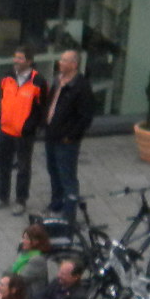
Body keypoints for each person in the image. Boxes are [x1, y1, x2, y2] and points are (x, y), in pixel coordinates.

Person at [40, 50, 95, 214]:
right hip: (51, 135)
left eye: (64, 60)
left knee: (67, 176)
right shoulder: (58, 80)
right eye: (61, 60)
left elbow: (86, 117)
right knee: (53, 171)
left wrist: (70, 136)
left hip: (66, 140)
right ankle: (56, 203)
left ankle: (69, 213)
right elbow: (51, 103)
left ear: (74, 64)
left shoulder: (81, 86)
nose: (60, 63)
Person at [0, 47, 45, 210]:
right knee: (3, 165)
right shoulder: (7, 77)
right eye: (15, 57)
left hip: (24, 134)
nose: (16, 61)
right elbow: (2, 99)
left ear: (29, 61)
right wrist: (2, 119)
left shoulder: (38, 81)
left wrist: (31, 127)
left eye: (20, 58)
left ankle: (21, 200)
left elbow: (42, 108)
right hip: (6, 130)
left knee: (23, 168)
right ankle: (2, 197)